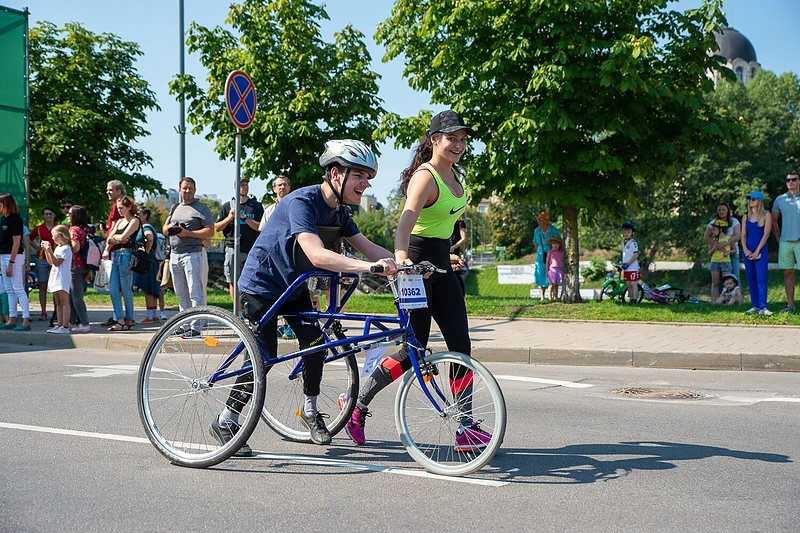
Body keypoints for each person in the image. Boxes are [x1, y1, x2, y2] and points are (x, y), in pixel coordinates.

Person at [211, 139, 398, 456]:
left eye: (369, 178)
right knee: (264, 354)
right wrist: (370, 267)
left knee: (315, 345)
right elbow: (317, 254)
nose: (366, 184)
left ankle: (310, 411)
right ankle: (226, 419)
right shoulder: (302, 202)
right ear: (336, 174)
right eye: (360, 176)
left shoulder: (340, 212)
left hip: (293, 286)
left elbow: (370, 248)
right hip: (261, 284)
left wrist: (406, 265)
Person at [341, 110, 492, 452]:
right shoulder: (425, 178)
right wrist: (403, 258)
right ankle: (357, 403)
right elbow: (405, 224)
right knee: (415, 350)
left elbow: (440, 226)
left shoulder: (454, 175)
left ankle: (465, 425)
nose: (458, 144)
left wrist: (447, 253)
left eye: (463, 139)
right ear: (435, 139)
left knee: (461, 346)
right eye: (451, 138)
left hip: (439, 264)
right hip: (415, 267)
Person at [163, 177, 214, 336]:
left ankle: (196, 327)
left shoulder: (201, 208)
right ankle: (183, 324)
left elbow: (210, 231)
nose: (188, 190)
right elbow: (164, 229)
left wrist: (188, 233)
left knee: (195, 292)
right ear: (179, 190)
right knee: (181, 293)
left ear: (195, 190)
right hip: (175, 254)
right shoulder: (175, 208)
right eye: (185, 188)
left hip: (193, 254)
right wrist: (170, 228)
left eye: (191, 188)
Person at [215, 177, 264, 314]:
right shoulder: (227, 206)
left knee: (251, 282)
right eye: (241, 185)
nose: (244, 187)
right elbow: (217, 227)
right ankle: (238, 313)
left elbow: (260, 227)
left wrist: (244, 218)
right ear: (235, 187)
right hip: (232, 248)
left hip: (250, 249)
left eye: (246, 185)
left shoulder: (256, 206)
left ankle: (251, 310)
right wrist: (230, 217)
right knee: (233, 281)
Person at [104, 196, 141, 331]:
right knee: (113, 289)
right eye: (118, 208)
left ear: (129, 207)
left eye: (122, 208)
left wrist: (117, 239)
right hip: (116, 255)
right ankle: (120, 319)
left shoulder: (134, 220)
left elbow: (123, 237)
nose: (119, 210)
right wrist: (117, 239)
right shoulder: (119, 221)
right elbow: (109, 239)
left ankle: (129, 319)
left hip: (127, 255)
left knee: (126, 290)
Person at [0, 194, 31, 330]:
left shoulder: (16, 220)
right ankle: (11, 319)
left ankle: (25, 320)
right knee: (9, 289)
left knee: (18, 288)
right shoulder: (3, 219)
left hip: (14, 257)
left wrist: (11, 263)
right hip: (3, 256)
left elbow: (16, 243)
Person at [771, 171, 800, 313]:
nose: (791, 182)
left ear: (799, 181)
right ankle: (790, 305)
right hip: (786, 242)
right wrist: (779, 239)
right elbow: (773, 221)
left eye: (794, 179)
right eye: (788, 180)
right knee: (788, 273)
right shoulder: (780, 199)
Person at [741, 191, 772, 315]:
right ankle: (755, 306)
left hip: (761, 250)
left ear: (759, 201)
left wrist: (757, 251)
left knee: (761, 277)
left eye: (753, 199)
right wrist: (745, 249)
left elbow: (766, 234)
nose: (750, 201)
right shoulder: (745, 217)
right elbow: (743, 235)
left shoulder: (766, 215)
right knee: (751, 278)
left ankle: (763, 307)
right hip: (748, 251)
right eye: (749, 199)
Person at [101, 181, 125, 327]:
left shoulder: (118, 206)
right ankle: (119, 315)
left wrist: (107, 248)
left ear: (119, 191)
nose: (108, 192)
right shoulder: (116, 206)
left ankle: (119, 317)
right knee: (121, 287)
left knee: (117, 287)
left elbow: (116, 229)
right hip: (116, 247)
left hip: (116, 249)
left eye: (110, 190)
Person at [704, 202, 741, 297]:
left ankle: (737, 298)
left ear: (728, 211)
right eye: (719, 210)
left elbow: (737, 236)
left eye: (723, 209)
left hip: (732, 252)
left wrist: (725, 243)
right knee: (719, 280)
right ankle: (723, 299)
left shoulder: (734, 221)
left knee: (734, 276)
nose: (721, 212)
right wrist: (715, 244)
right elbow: (706, 237)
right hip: (717, 254)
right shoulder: (713, 222)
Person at [42, 225, 73, 334]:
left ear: (60, 235)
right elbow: (51, 263)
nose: (53, 238)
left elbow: (57, 262)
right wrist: (46, 251)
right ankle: (59, 324)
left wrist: (50, 251)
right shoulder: (58, 247)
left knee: (64, 302)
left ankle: (65, 326)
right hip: (55, 276)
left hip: (63, 277)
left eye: (54, 236)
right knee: (58, 302)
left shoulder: (66, 248)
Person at [29, 207, 57, 321]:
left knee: (56, 286)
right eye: (46, 214)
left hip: (56, 258)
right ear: (43, 216)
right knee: (42, 285)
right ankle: (43, 311)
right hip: (41, 259)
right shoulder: (39, 228)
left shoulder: (58, 227)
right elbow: (29, 239)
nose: (48, 216)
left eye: (50, 214)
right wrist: (38, 248)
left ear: (54, 215)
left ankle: (57, 312)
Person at [134, 208, 161, 323]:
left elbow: (149, 238)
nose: (136, 216)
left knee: (147, 288)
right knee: (152, 288)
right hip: (152, 260)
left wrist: (146, 251)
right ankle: (153, 314)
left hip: (147, 261)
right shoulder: (150, 227)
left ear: (145, 215)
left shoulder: (145, 227)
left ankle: (149, 316)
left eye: (138, 214)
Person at [67, 205, 92, 332]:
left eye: (70, 213)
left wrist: (67, 246)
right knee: (74, 294)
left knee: (76, 295)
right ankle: (72, 322)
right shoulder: (87, 229)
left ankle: (84, 323)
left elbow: (76, 248)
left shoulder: (74, 230)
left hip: (76, 265)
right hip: (86, 265)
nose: (67, 215)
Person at [532, 212, 560, 302]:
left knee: (553, 274)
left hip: (553, 255)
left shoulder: (554, 230)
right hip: (540, 255)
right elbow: (535, 244)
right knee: (541, 274)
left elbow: (558, 242)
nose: (540, 222)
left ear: (547, 221)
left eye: (542, 220)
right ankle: (542, 296)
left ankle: (553, 296)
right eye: (539, 220)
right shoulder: (537, 231)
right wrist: (538, 253)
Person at [707, 219, 732, 303]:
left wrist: (728, 252)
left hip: (726, 262)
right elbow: (710, 253)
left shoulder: (728, 239)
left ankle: (727, 301)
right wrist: (714, 248)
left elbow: (734, 250)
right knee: (715, 282)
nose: (713, 231)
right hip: (715, 262)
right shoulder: (713, 240)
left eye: (714, 229)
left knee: (727, 282)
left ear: (720, 229)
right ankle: (714, 301)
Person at [621, 222, 640, 303]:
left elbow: (636, 255)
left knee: (633, 283)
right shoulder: (624, 243)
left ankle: (634, 299)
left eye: (628, 232)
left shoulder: (633, 243)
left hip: (632, 267)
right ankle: (630, 298)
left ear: (632, 233)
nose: (626, 234)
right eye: (625, 232)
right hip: (626, 268)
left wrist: (628, 263)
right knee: (628, 284)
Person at [546, 236, 564, 301]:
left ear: (559, 245)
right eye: (553, 243)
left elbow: (562, 260)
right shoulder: (550, 252)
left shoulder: (561, 252)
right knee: (551, 284)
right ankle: (549, 297)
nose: (555, 245)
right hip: (552, 269)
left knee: (556, 284)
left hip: (559, 269)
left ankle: (555, 297)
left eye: (557, 244)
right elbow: (547, 261)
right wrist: (547, 270)